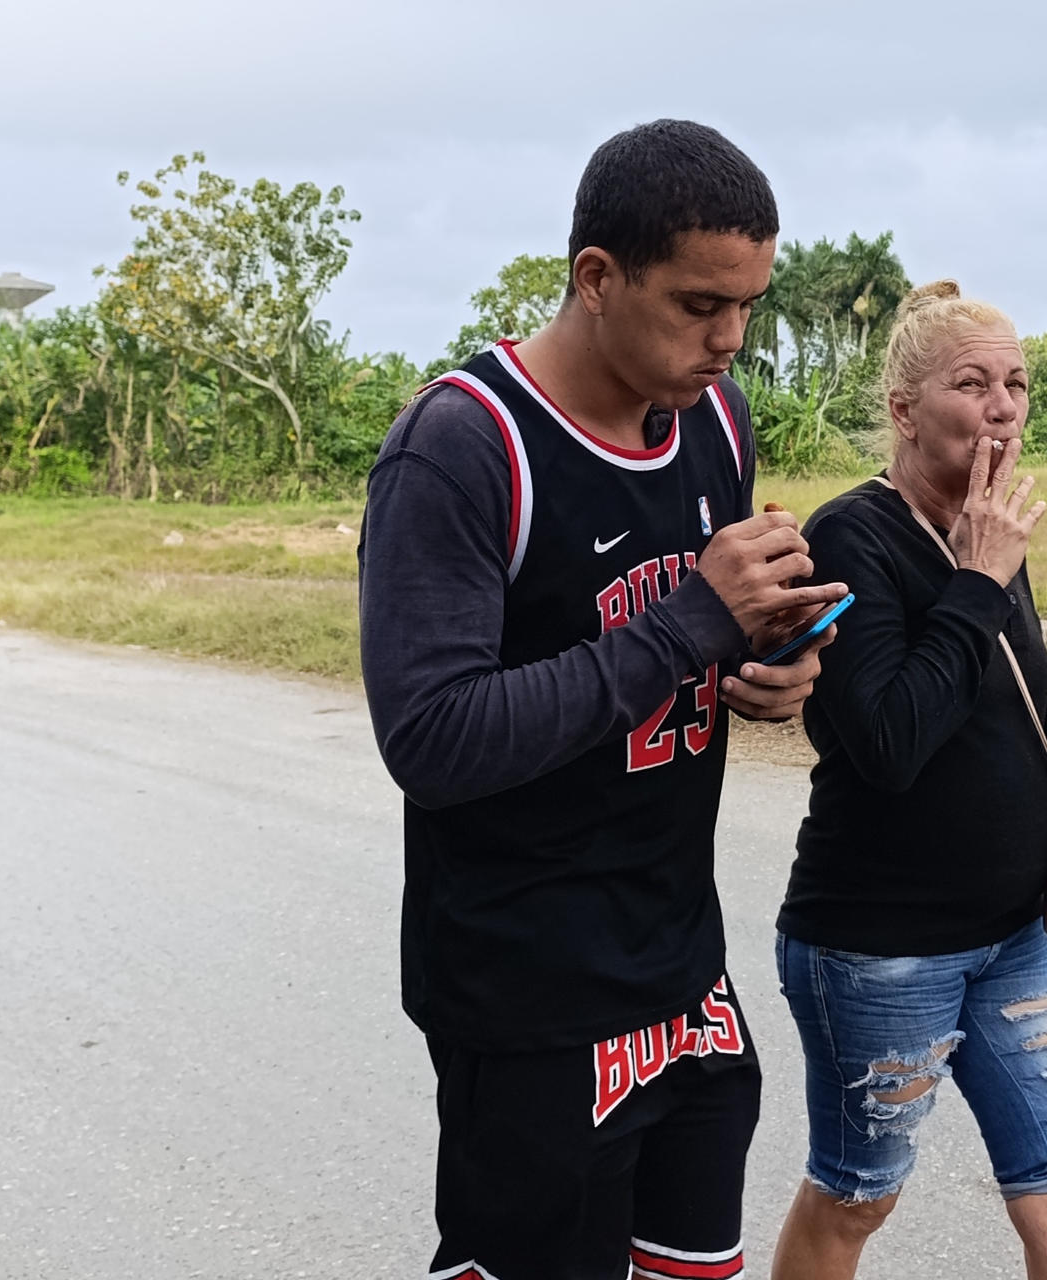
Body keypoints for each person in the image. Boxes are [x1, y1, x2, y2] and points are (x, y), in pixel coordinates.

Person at [358, 120, 845, 1280]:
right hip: (524, 986)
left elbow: (696, 653)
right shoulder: (465, 448)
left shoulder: (716, 422)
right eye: (696, 305)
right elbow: (432, 737)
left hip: (679, 954)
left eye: (749, 306)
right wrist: (690, 622)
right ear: (596, 277)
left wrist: (764, 668)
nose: (730, 340)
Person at [768, 281, 1047, 1280]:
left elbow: (995, 727)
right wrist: (976, 578)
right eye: (972, 382)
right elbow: (888, 744)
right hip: (880, 947)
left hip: (1012, 937)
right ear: (906, 409)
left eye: (1016, 383)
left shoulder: (987, 537)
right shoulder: (851, 540)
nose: (1002, 405)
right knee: (853, 1198)